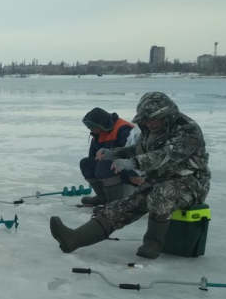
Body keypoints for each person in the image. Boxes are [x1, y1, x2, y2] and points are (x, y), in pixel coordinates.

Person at [50, 92, 210, 259]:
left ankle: (152, 245)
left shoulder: (187, 129)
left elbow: (167, 155)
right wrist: (114, 153)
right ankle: (74, 239)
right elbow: (137, 150)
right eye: (146, 119)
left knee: (162, 193)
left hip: (191, 183)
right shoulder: (149, 130)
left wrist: (134, 163)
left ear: (166, 114)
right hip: (157, 181)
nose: (149, 123)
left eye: (152, 119)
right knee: (121, 207)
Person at [79, 107, 140, 206]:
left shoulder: (124, 130)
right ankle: (102, 197)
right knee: (86, 163)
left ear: (102, 124)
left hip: (131, 171)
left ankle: (114, 204)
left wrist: (131, 175)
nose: (93, 131)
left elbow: (134, 154)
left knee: (103, 164)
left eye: (94, 128)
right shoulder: (97, 135)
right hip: (113, 170)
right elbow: (93, 158)